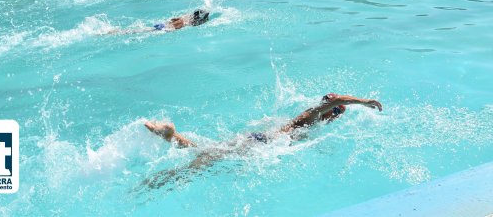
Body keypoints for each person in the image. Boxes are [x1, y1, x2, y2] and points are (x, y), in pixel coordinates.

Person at [143, 93, 382, 187]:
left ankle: (170, 136)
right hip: (261, 143)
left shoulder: (314, 125)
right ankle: (160, 180)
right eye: (338, 112)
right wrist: (364, 102)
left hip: (260, 142)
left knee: (206, 153)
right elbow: (333, 98)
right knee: (204, 161)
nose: (336, 116)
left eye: (340, 114)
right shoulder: (311, 116)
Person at [107, 9, 210, 35]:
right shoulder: (188, 22)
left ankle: (116, 31)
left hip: (163, 25)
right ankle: (117, 32)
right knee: (140, 31)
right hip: (165, 29)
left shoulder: (184, 17)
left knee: (141, 30)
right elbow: (197, 24)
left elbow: (172, 19)